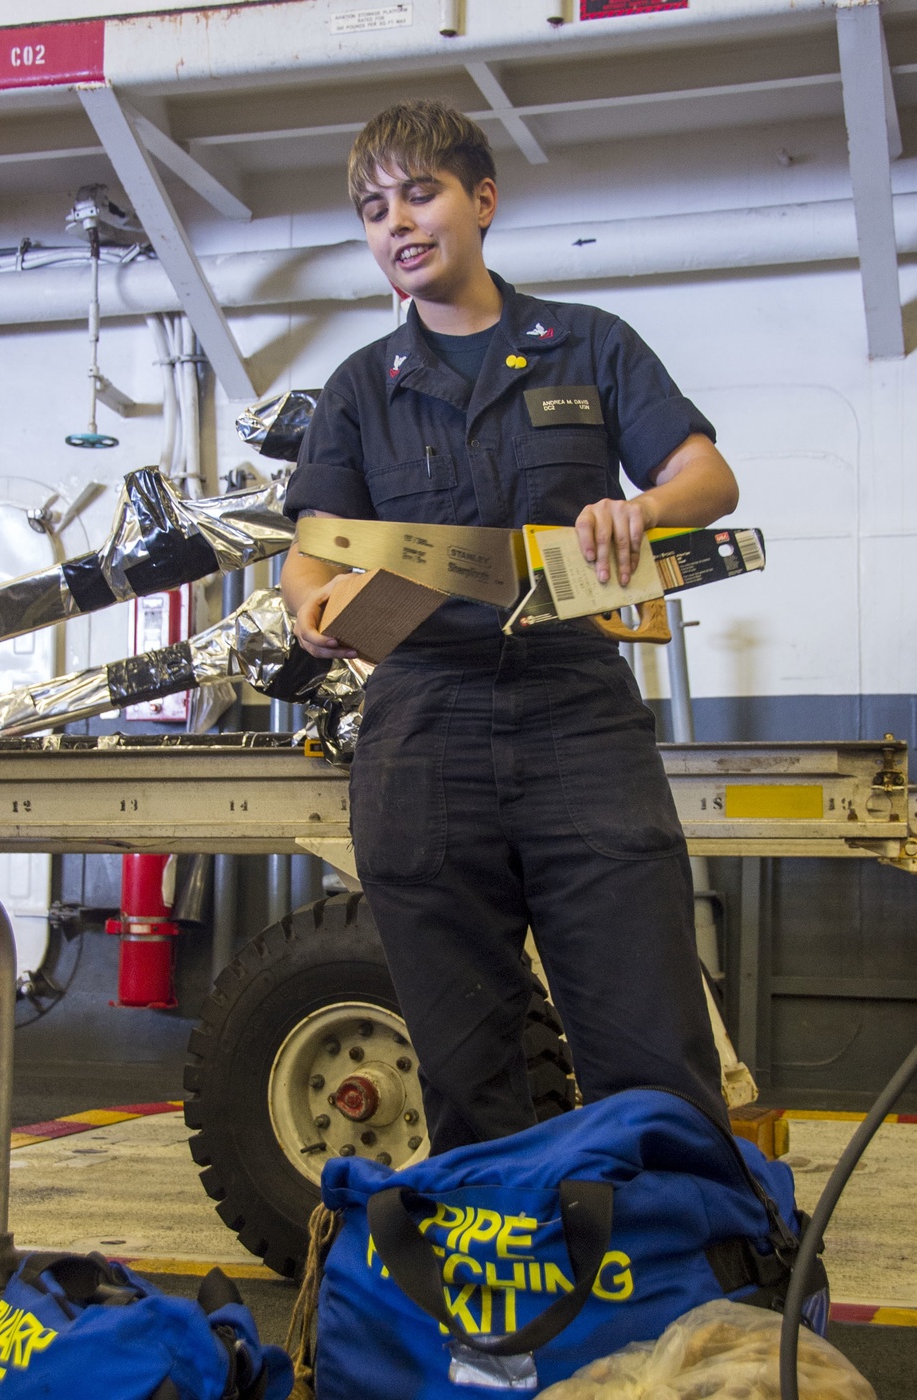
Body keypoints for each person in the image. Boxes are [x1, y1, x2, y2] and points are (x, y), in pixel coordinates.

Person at [281, 100, 739, 1155]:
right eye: (372, 207)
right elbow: (313, 551)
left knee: (652, 1054)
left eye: (420, 192)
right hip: (422, 734)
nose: (397, 221)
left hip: (576, 716)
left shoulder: (589, 344)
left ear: (481, 200)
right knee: (468, 1068)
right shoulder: (358, 390)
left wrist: (644, 507)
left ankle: (683, 1296)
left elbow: (704, 474)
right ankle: (495, 1317)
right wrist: (310, 608)